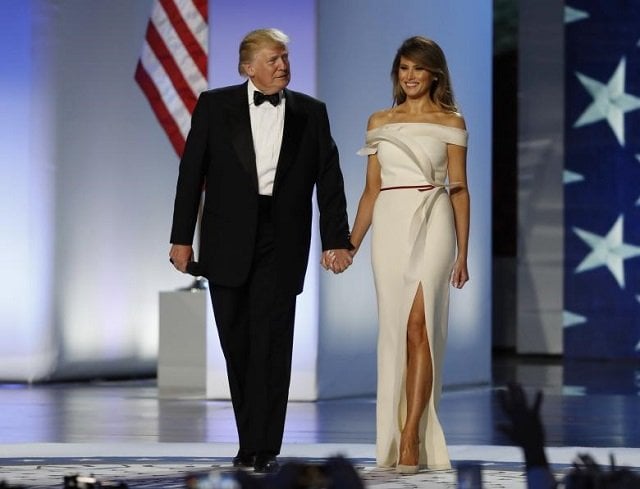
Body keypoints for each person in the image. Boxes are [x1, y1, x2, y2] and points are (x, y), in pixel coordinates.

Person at [169, 28, 353, 474]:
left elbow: (329, 179)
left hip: (281, 237)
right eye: (273, 59)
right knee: (237, 343)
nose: (283, 66)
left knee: (271, 344)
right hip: (227, 237)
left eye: (285, 58)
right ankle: (248, 437)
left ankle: (262, 445)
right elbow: (192, 172)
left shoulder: (312, 113)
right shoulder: (215, 106)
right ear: (247, 67)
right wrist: (180, 237)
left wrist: (336, 240)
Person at [348, 36, 470, 473]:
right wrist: (350, 243)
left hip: (433, 217)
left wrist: (463, 253)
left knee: (420, 324)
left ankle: (412, 434)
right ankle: (396, 430)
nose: (410, 76)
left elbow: (459, 190)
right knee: (396, 330)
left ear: (434, 73)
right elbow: (369, 190)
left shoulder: (451, 122)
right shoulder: (380, 120)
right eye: (403, 68)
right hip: (390, 221)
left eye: (418, 68)